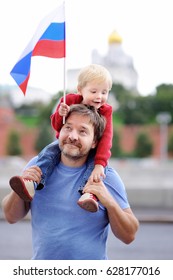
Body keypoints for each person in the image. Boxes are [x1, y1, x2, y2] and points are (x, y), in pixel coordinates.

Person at [2, 104, 139, 260]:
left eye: (82, 131)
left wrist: (109, 202)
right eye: (68, 128)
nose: (73, 136)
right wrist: (19, 189)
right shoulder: (37, 165)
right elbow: (11, 216)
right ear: (59, 132)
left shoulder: (105, 176)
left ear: (94, 141)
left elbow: (129, 235)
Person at [9, 64, 113, 212]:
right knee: (48, 153)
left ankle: (89, 194)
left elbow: (106, 138)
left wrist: (100, 164)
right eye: (94, 91)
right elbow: (57, 126)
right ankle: (32, 182)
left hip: (91, 148)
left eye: (104, 92)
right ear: (80, 90)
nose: (99, 97)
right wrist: (60, 114)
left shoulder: (106, 110)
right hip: (62, 143)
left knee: (96, 169)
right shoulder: (69, 100)